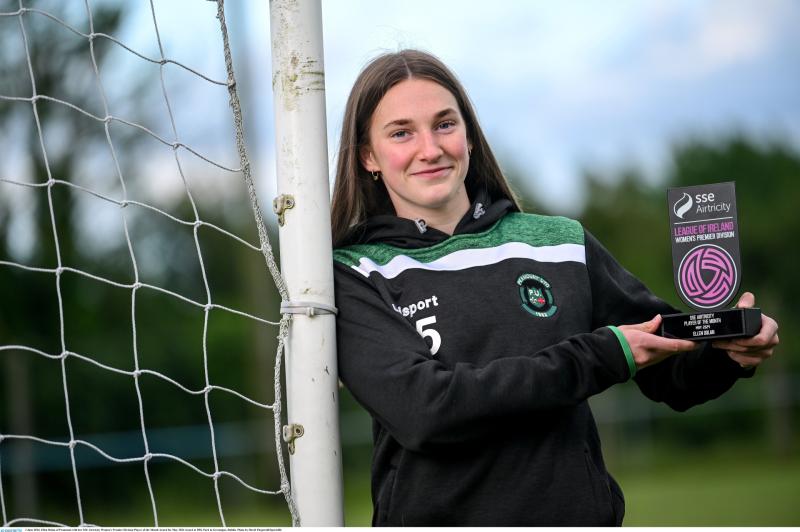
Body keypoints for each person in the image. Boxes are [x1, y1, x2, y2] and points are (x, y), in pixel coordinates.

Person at [329, 49, 779, 526]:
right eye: (402, 132)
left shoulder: (558, 244)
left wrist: (727, 349)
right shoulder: (354, 273)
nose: (430, 148)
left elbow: (671, 372)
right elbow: (426, 411)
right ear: (368, 156)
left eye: (445, 124)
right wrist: (599, 356)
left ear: (470, 135)